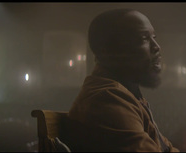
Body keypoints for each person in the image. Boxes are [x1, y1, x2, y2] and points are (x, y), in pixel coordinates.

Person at [66, 8, 179, 152]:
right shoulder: (106, 99)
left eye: (154, 38)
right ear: (108, 50)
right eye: (143, 38)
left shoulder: (127, 96)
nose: (157, 47)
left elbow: (166, 148)